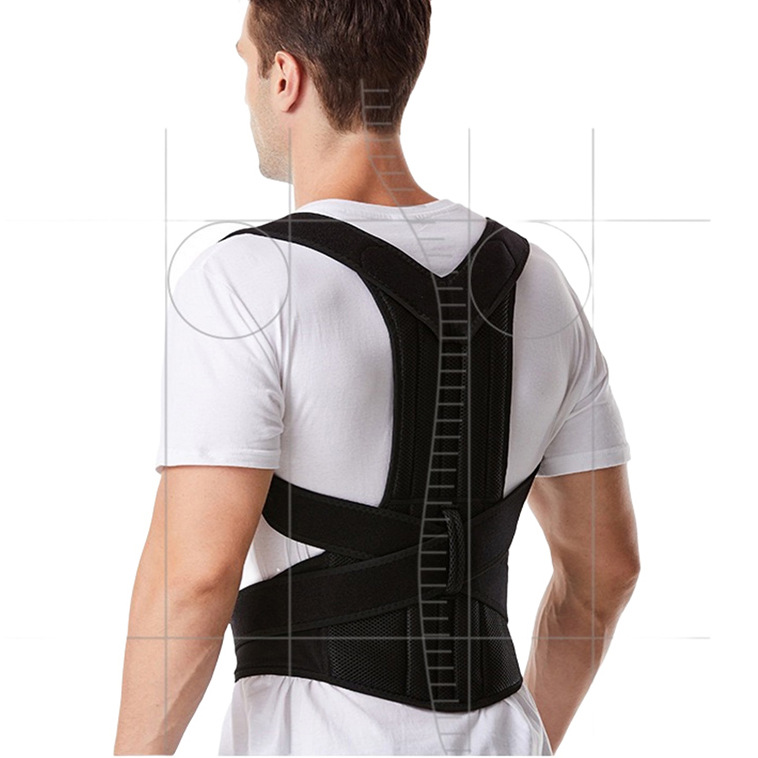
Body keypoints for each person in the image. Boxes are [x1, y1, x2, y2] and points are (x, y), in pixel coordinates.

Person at [114, 1, 640, 754]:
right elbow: (607, 569)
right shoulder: (540, 284)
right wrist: (527, 737)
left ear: (285, 77)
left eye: (246, 64)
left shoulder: (246, 281)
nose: (245, 91)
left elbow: (193, 580)